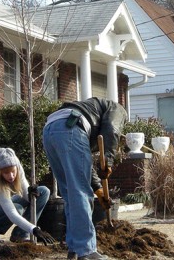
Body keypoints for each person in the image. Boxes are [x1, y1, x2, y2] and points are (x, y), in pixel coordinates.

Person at [42, 97, 127, 260]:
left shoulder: (91, 112)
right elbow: (112, 128)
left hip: (50, 130)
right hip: (71, 127)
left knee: (70, 195)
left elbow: (84, 163)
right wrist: (108, 160)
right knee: (80, 193)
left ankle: (75, 248)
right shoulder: (119, 109)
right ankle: (87, 251)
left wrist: (99, 190)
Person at [0, 148, 56, 246]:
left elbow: (26, 195)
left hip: (2, 204)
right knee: (18, 208)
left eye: (13, 171)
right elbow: (12, 213)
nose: (11, 176)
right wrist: (34, 229)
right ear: (0, 172)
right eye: (6, 173)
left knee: (43, 191)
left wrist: (31, 193)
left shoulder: (17, 167)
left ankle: (20, 233)